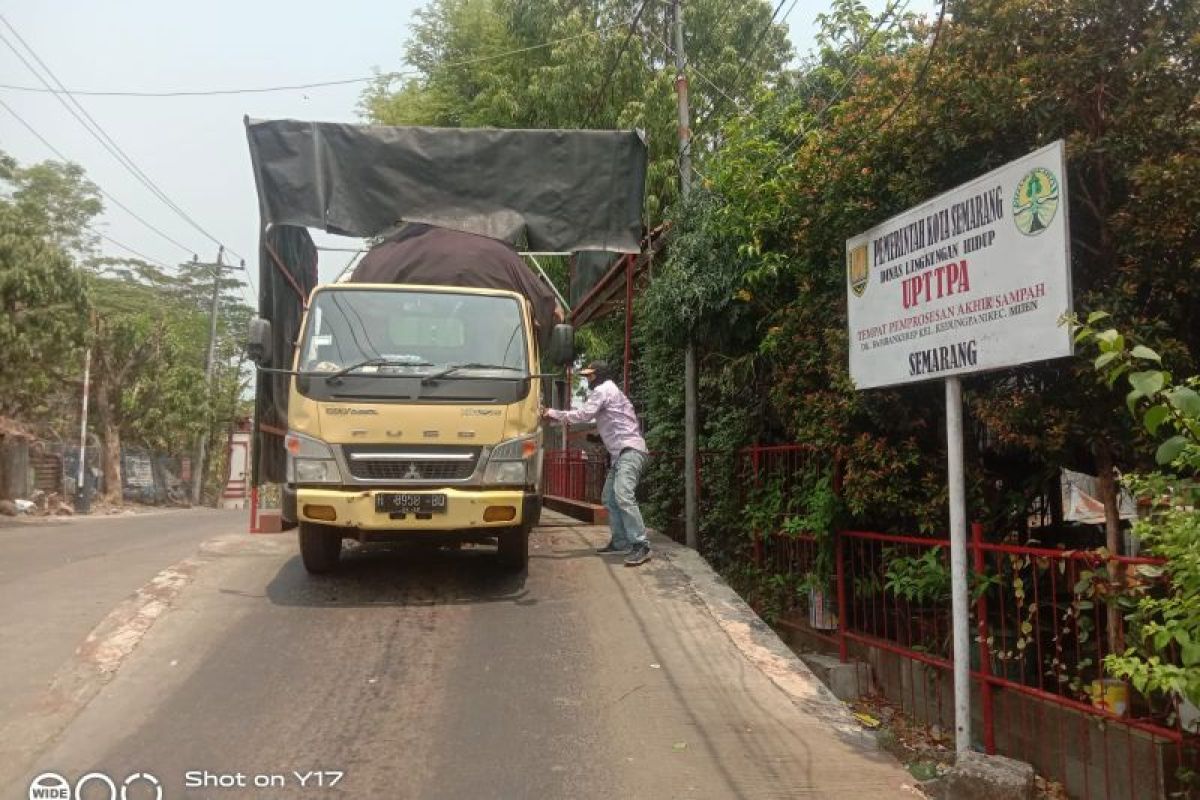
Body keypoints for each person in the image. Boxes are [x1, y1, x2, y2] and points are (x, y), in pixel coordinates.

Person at [543, 361, 652, 566]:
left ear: (600, 375)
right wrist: (598, 439)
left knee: (623, 495)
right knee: (609, 498)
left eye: (590, 376)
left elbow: (583, 415)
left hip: (629, 452)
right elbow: (616, 423)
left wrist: (552, 413)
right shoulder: (612, 392)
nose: (587, 380)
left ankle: (641, 545)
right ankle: (620, 542)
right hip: (621, 454)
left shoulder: (604, 390)